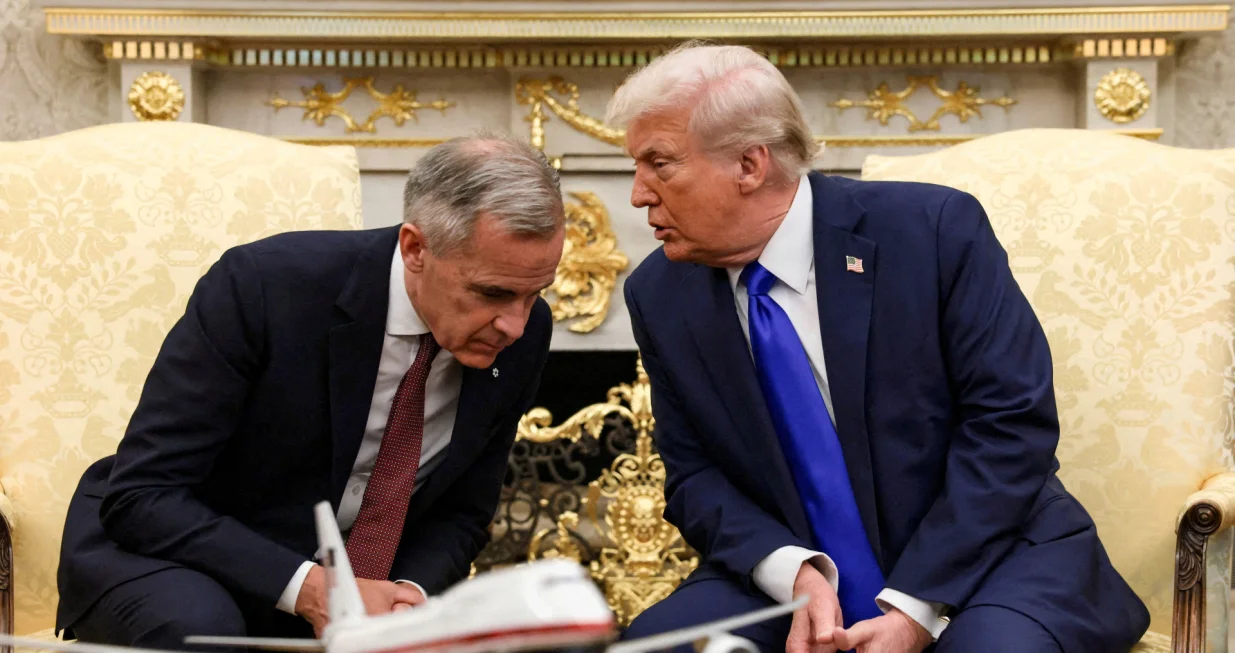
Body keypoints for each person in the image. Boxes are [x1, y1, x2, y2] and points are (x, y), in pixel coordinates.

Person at [608, 43, 1149, 652]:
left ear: (749, 164)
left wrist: (914, 607)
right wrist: (793, 571)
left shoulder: (932, 231)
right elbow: (694, 477)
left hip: (988, 557)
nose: (638, 194)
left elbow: (1011, 427)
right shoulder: (660, 293)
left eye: (660, 164)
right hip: (794, 575)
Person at [54, 135, 565, 648]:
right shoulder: (264, 286)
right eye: (493, 293)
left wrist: (408, 598)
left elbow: (463, 510)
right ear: (415, 249)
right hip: (173, 556)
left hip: (350, 582)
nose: (515, 325)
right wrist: (313, 589)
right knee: (205, 630)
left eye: (534, 294)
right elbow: (144, 495)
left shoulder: (524, 334)